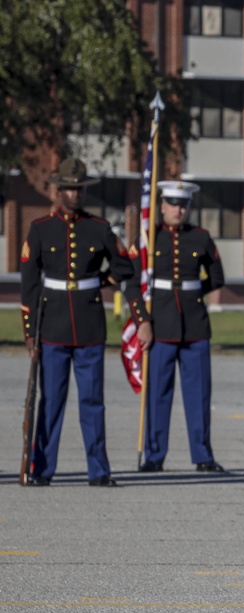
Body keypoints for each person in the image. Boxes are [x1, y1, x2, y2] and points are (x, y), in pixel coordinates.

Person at [19, 157, 134, 487]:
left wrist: (99, 281)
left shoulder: (98, 229)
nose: (76, 194)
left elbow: (125, 267)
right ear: (58, 191)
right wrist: (30, 333)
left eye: (80, 189)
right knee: (51, 401)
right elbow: (28, 285)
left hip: (89, 326)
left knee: (92, 401)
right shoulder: (40, 229)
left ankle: (99, 470)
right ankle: (41, 468)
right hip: (52, 325)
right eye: (70, 188)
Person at [126, 180, 226, 473]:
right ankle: (154, 456)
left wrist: (193, 293)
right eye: (172, 204)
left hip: (194, 325)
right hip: (160, 324)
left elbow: (217, 278)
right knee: (158, 393)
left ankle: (203, 455)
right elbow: (132, 285)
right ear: (162, 207)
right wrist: (142, 320)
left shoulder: (201, 237)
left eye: (183, 205)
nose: (178, 210)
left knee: (199, 395)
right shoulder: (148, 239)